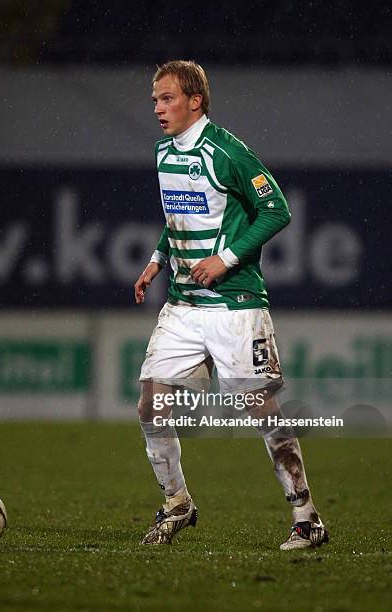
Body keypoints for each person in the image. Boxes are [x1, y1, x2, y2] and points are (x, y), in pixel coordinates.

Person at [134, 60, 328, 550]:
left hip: (235, 304)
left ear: (195, 100)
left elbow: (276, 209)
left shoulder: (227, 152)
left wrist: (225, 258)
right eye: (155, 99)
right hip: (183, 303)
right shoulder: (163, 152)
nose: (158, 108)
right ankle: (178, 503)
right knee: (151, 405)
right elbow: (179, 212)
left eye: (168, 98)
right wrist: (159, 258)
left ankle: (307, 518)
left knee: (261, 411)